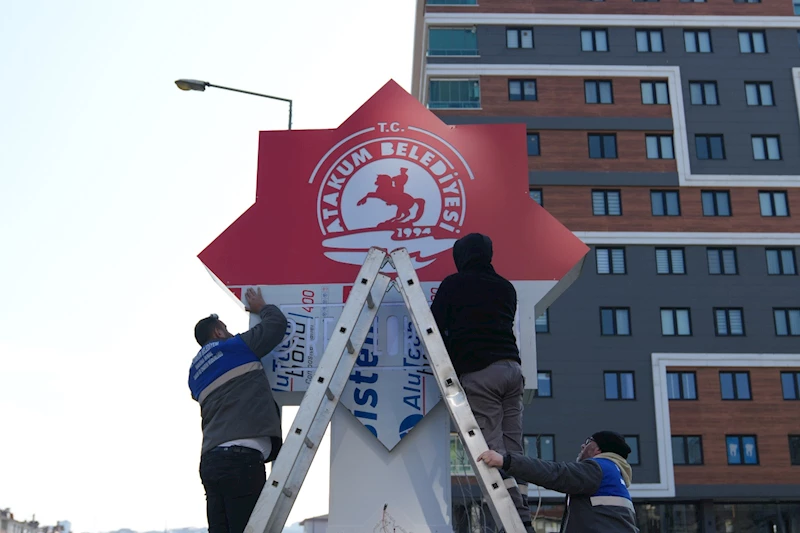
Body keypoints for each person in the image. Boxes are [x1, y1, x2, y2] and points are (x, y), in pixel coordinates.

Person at [430, 232, 533, 530]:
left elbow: (434, 328)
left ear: (461, 256)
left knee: (494, 451)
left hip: (480, 372)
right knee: (514, 450)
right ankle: (523, 507)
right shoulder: (506, 287)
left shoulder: (454, 284)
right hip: (512, 370)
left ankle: (517, 522)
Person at [189, 287, 289, 533]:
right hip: (241, 459)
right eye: (226, 328)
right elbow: (276, 325)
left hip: (211, 461)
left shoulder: (194, 372)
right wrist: (261, 308)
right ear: (218, 331)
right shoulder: (234, 347)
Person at [478, 431, 639, 533]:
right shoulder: (615, 476)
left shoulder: (599, 468)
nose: (583, 445)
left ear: (598, 449)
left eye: (588, 441)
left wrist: (506, 462)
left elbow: (557, 474)